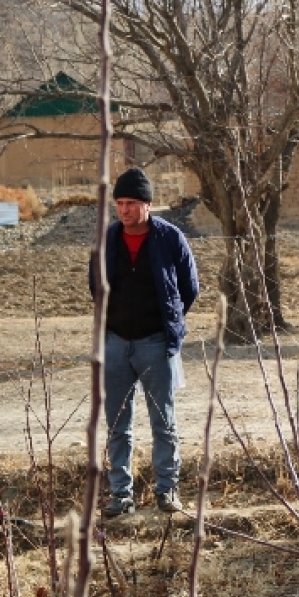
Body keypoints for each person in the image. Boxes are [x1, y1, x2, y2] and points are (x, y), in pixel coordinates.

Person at [91, 168, 199, 517]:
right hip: (115, 343)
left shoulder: (169, 238)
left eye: (132, 203)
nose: (125, 210)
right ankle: (121, 496)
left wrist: (170, 322)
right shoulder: (107, 239)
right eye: (120, 203)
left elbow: (189, 287)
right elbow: (95, 284)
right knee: (117, 423)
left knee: (163, 422)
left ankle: (167, 491)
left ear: (148, 205)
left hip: (156, 343)